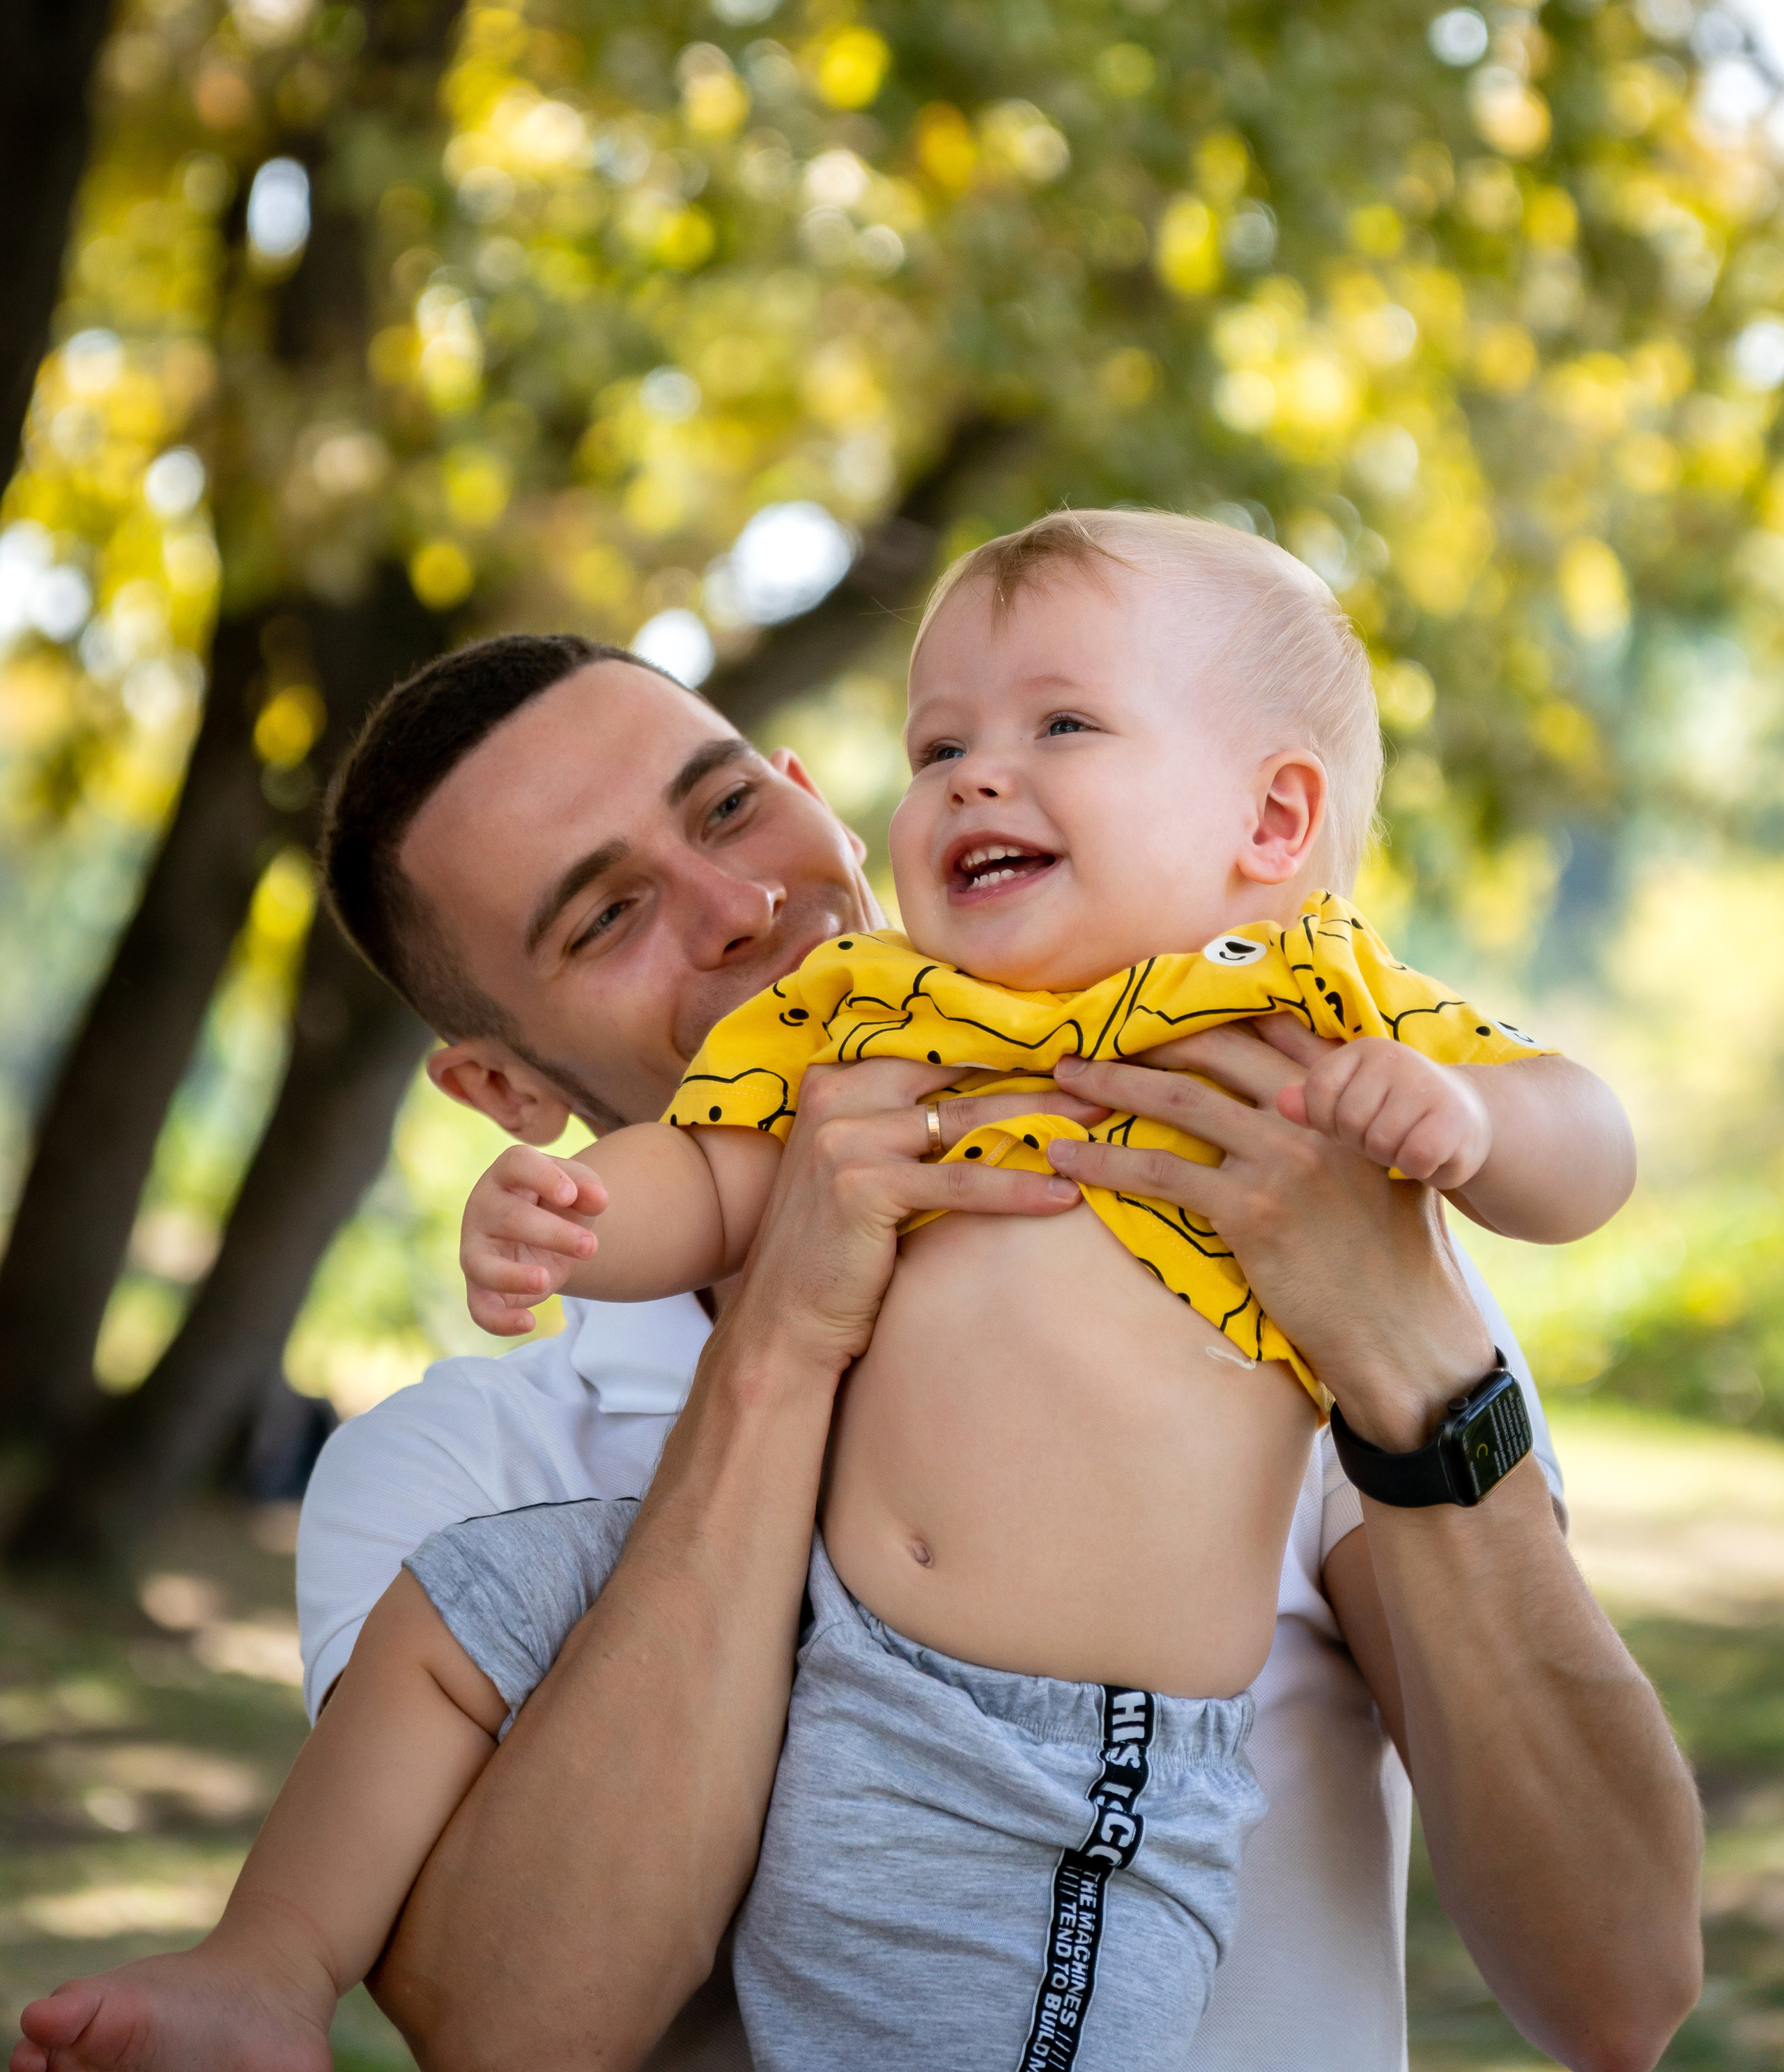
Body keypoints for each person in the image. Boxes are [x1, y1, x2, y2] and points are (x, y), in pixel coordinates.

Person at [12, 593, 1702, 2072]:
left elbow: (1618, 1997)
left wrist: (1412, 1364)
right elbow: (518, 2036)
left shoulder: (1239, 1223)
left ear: (816, 804)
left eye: (730, 809)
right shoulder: (453, 1473)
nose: (735, 907)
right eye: (605, 916)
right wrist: (776, 1343)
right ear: (508, 1092)